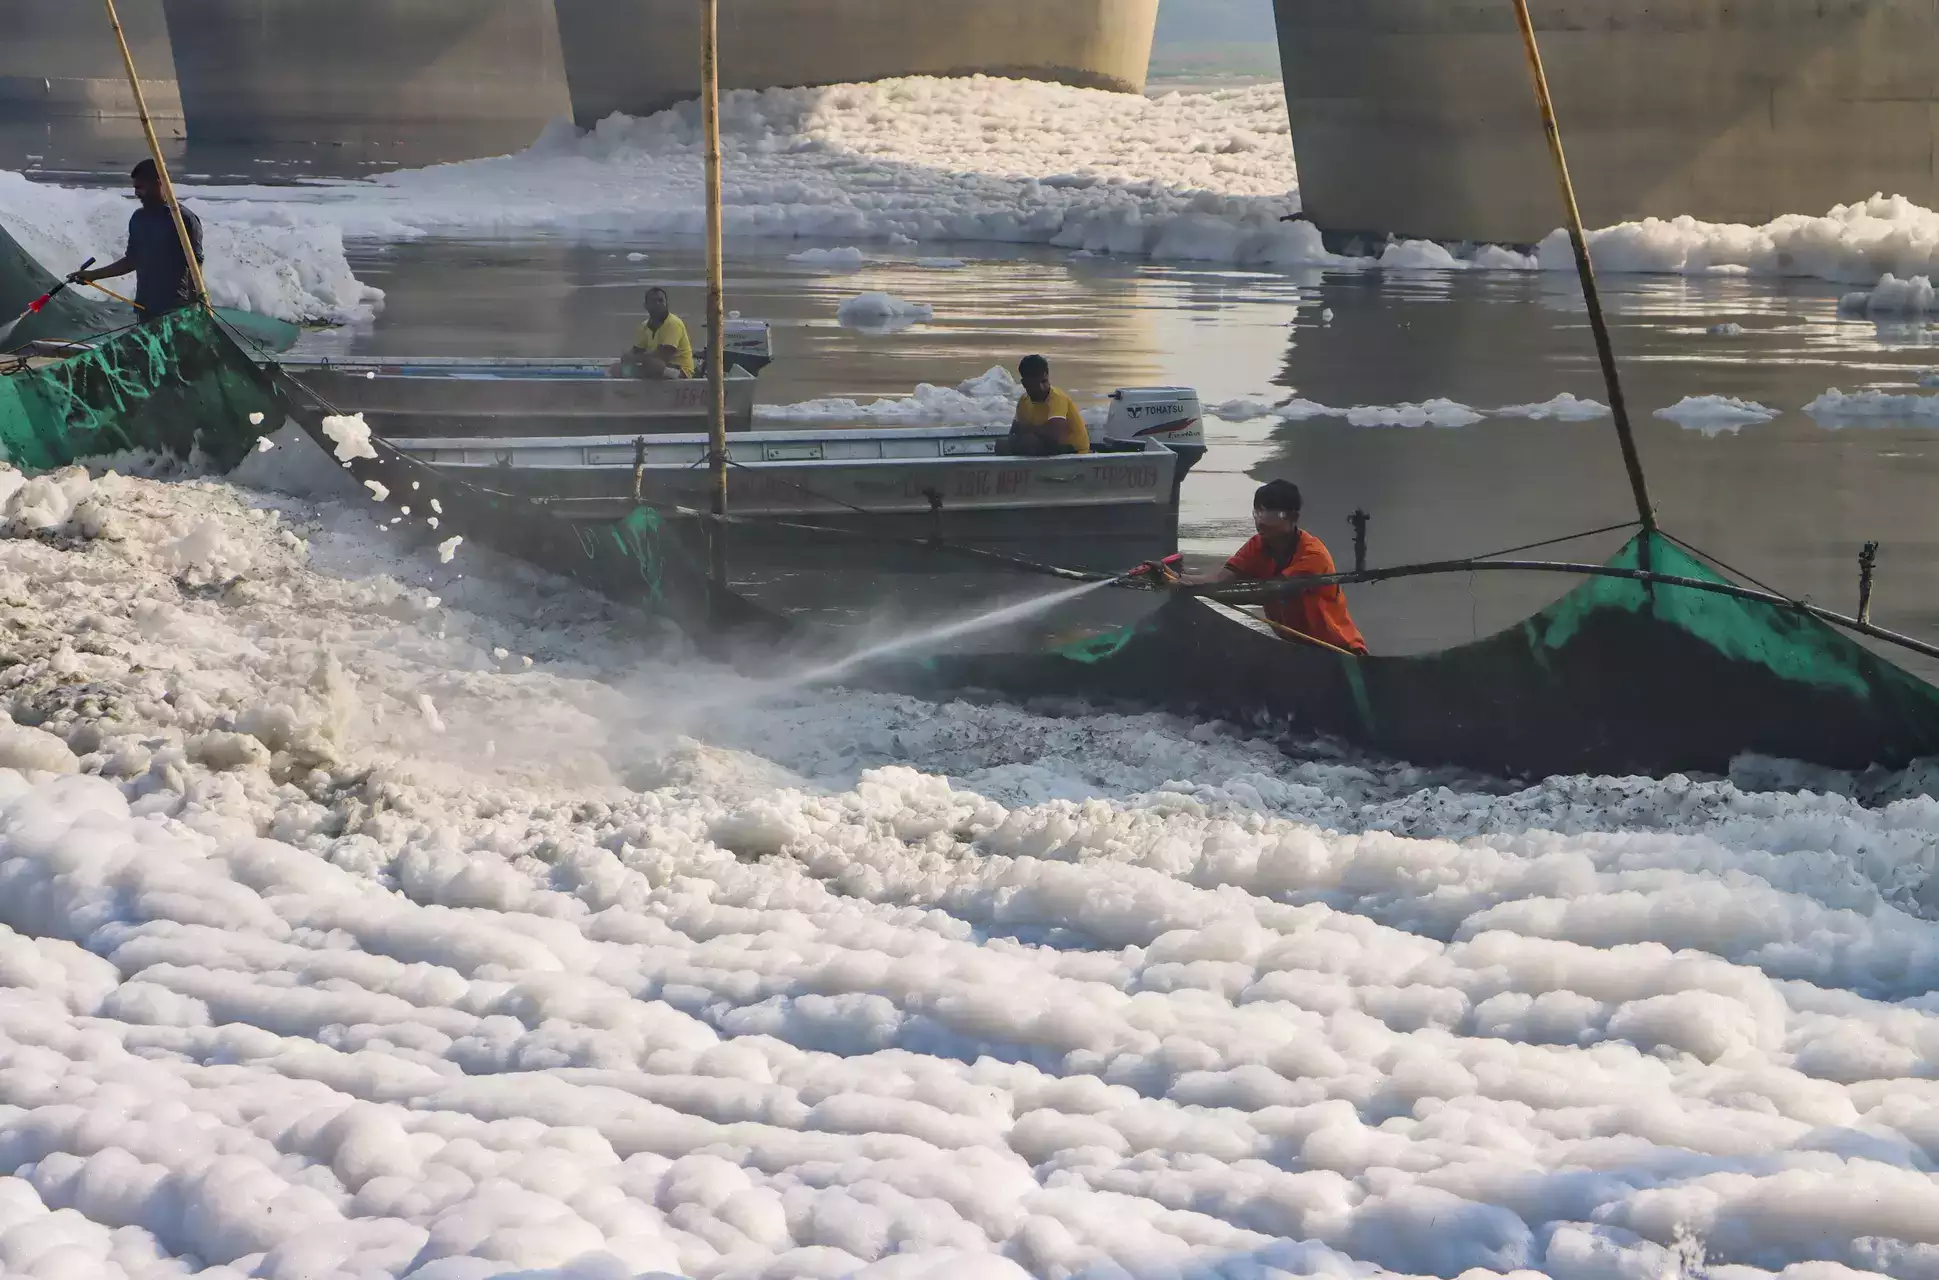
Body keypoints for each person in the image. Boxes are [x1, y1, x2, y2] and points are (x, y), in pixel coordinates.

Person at [1172, 478, 1368, 655]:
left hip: (1338, 652)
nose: (1261, 520)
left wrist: (1198, 590)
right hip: (1296, 649)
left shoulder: (1312, 555)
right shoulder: (1257, 545)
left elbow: (1264, 593)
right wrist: (1174, 578)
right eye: (1258, 511)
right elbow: (1220, 579)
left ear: (1292, 517)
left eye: (1271, 513)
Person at [70, 159, 203, 322]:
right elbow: (132, 260)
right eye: (135, 188)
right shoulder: (138, 218)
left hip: (175, 312)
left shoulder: (184, 220)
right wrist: (92, 275)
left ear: (158, 182)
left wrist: (194, 308)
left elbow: (195, 265)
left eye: (140, 187)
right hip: (145, 309)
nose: (136, 193)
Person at [1004, 354, 1089, 456]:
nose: (1042, 387)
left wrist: (1028, 431)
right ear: (1024, 384)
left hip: (1074, 451)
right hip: (1047, 447)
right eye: (1036, 383)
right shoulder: (1024, 401)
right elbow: (1014, 433)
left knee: (1031, 443)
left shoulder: (1057, 398)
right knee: (1003, 446)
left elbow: (1054, 435)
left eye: (1044, 381)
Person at [621, 286, 695, 379]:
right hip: (659, 367)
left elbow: (663, 355)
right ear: (646, 305)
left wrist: (634, 359)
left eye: (661, 301)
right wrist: (626, 358)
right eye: (653, 301)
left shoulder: (673, 324)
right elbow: (636, 351)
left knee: (654, 364)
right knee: (618, 368)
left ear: (667, 304)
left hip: (681, 372)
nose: (658, 304)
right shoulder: (644, 326)